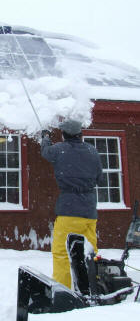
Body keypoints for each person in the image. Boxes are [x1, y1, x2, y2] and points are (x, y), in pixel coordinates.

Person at [41, 120, 103, 289]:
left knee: (62, 253)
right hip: (90, 212)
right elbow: (100, 179)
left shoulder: (59, 149)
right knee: (89, 254)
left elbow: (46, 152)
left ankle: (63, 290)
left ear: (63, 135)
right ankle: (92, 288)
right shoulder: (93, 151)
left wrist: (45, 137)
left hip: (69, 211)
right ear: (80, 134)